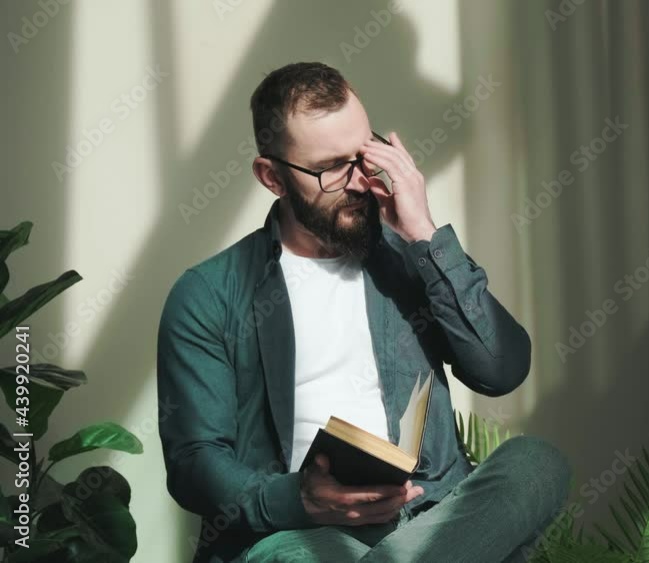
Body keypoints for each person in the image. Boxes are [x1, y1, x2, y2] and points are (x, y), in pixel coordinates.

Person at [156, 62, 570, 563]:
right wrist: (301, 499)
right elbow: (194, 463)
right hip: (308, 532)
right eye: (332, 167)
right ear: (273, 177)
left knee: (536, 463)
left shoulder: (410, 259)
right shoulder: (209, 293)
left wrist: (425, 235)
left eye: (364, 155)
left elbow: (500, 370)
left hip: (433, 517)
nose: (358, 181)